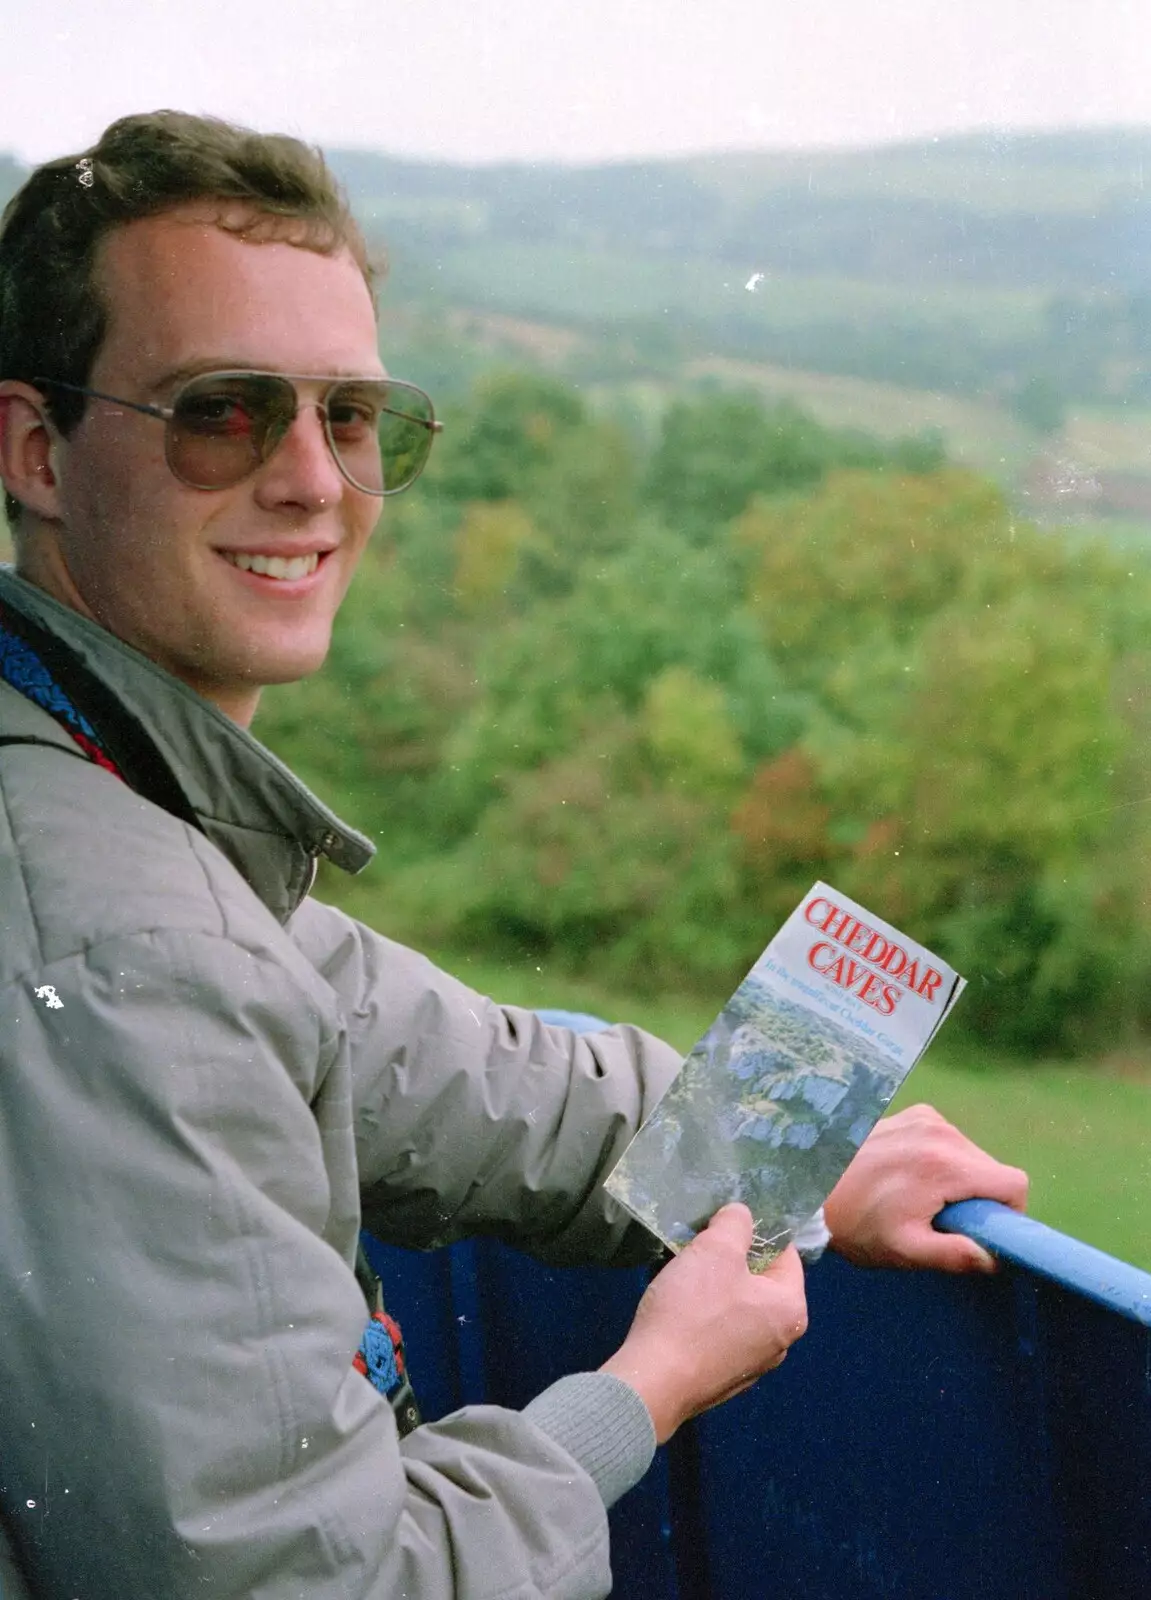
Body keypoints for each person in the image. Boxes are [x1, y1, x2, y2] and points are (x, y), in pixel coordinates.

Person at [0, 112, 1028, 1600]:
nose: (309, 481)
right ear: (36, 447)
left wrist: (789, 1153)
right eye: (224, 410)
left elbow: (431, 1057)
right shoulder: (127, 943)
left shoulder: (106, 788)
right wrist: (644, 1392)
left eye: (352, 418)